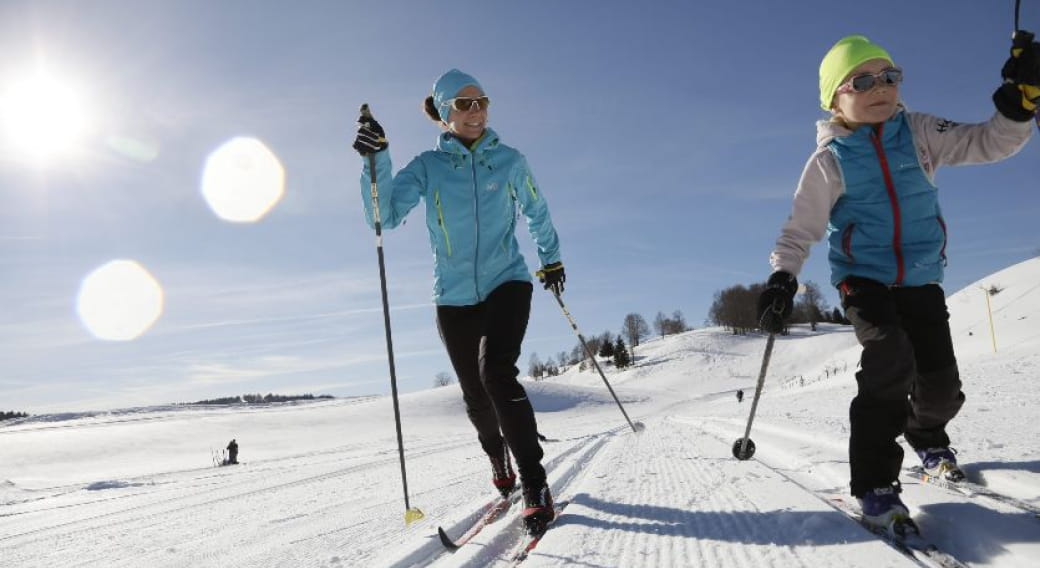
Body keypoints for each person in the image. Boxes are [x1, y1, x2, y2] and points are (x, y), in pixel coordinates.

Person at [757, 34, 1037, 530]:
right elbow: (801, 229)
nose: (880, 87)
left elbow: (988, 143)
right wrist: (783, 278)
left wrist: (1019, 107)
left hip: (923, 279)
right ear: (834, 99)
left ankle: (927, 436)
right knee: (888, 358)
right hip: (864, 281)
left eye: (889, 75)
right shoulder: (830, 159)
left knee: (942, 386)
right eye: (861, 80)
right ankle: (875, 485)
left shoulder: (921, 131)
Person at [352, 69, 564, 534]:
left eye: (481, 101)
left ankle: (535, 481)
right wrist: (377, 158)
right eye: (464, 104)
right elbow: (382, 215)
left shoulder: (509, 160)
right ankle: (498, 459)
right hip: (452, 297)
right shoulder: (429, 168)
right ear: (444, 113)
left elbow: (536, 209)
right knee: (475, 396)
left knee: (497, 373)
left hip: (507, 281)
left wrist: (551, 260)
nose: (476, 111)